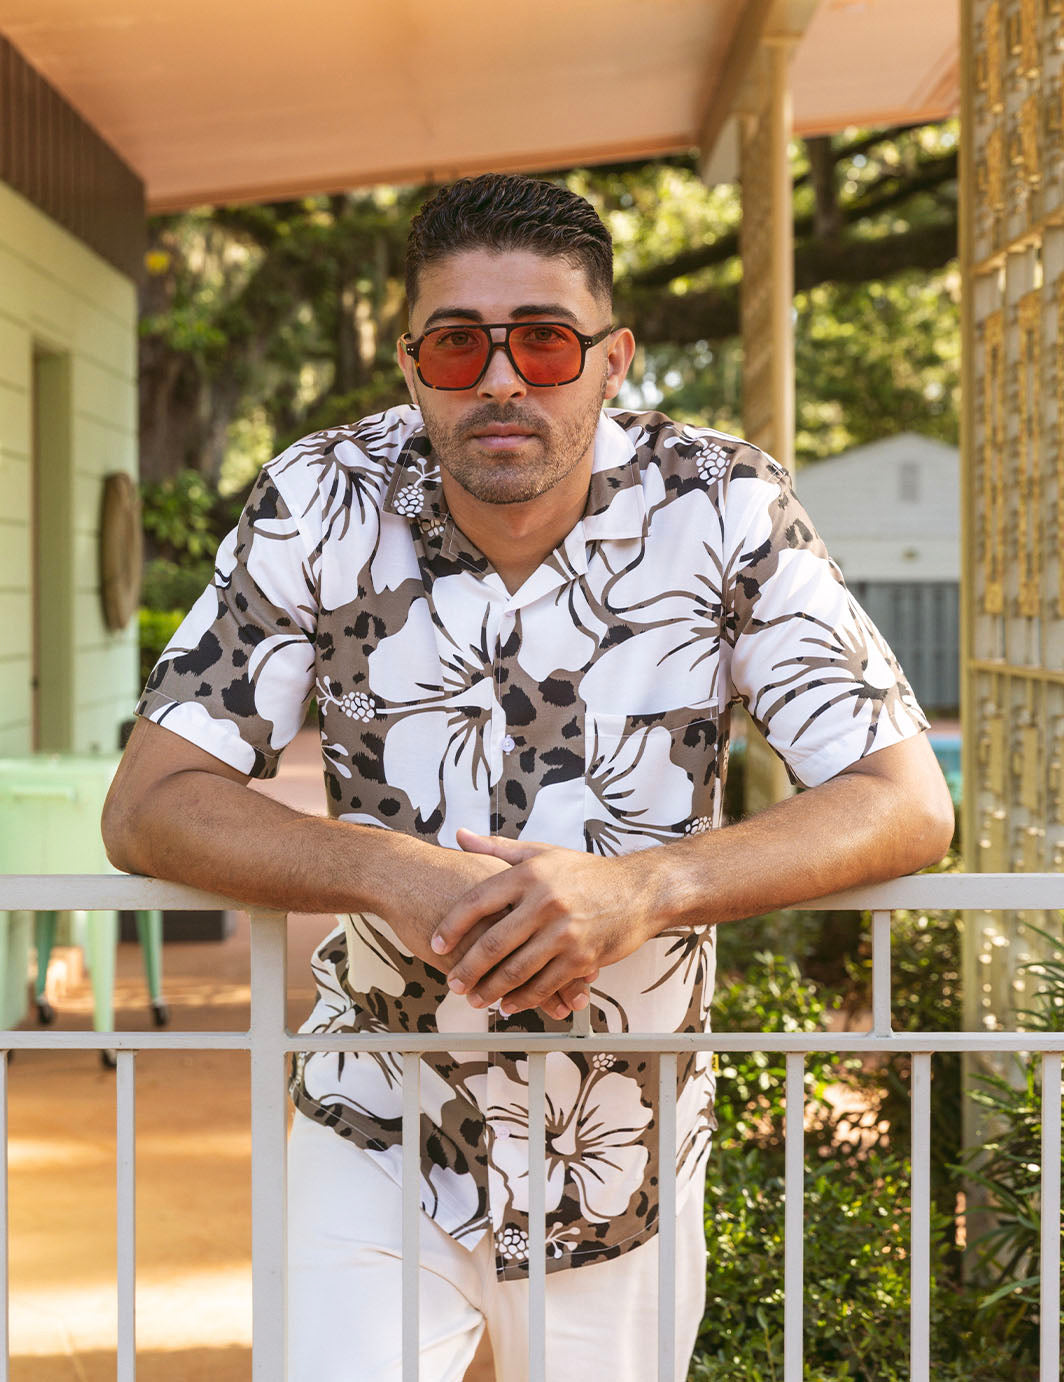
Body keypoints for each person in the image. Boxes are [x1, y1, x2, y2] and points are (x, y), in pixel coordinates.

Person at [102, 172, 955, 1382]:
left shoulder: (724, 507)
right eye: (457, 345)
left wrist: (643, 890)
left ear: (611, 362)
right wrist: (382, 869)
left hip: (626, 1141)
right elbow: (148, 801)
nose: (501, 377)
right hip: (377, 1114)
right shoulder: (318, 499)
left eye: (543, 341)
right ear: (410, 367)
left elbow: (903, 797)